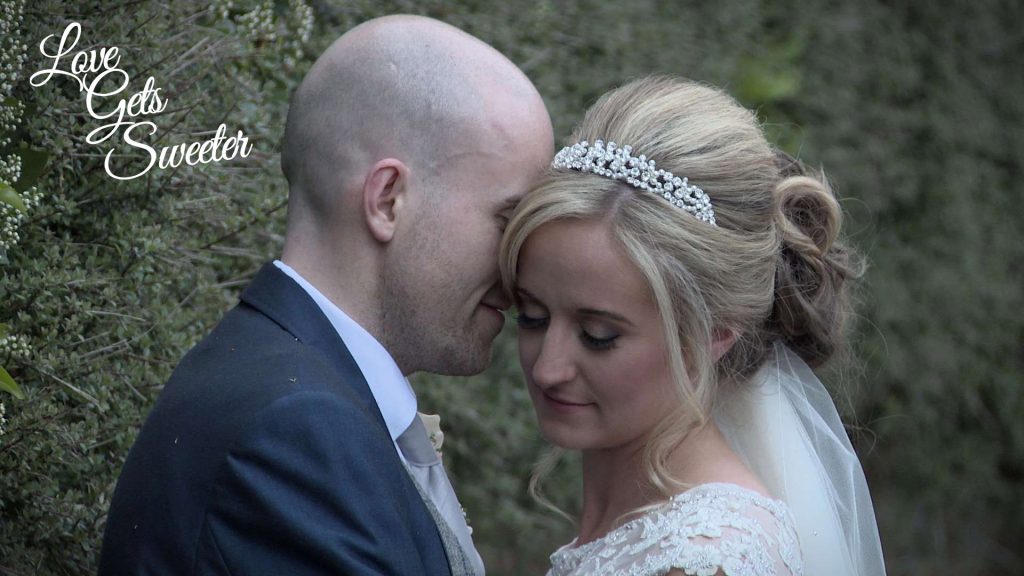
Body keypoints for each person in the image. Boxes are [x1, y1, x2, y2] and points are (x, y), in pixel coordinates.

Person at [99, 15, 553, 576]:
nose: (519, 267)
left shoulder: (289, 390)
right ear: (387, 200)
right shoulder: (296, 430)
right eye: (507, 220)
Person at [498, 76, 886, 575]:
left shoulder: (706, 558)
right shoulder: (640, 527)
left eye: (599, 336)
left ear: (715, 332)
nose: (547, 369)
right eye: (531, 317)